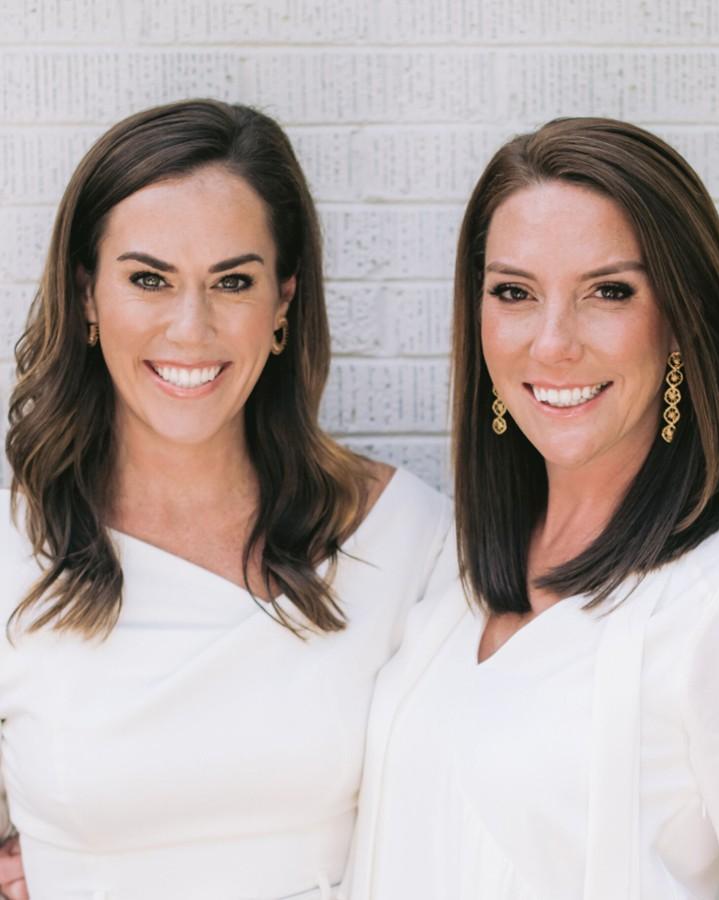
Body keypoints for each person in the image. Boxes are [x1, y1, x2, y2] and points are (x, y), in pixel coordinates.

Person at [0, 99, 451, 900]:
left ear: (283, 303)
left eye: (232, 282)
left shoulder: (408, 538)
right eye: (149, 279)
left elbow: (477, 806)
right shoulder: (13, 546)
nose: (191, 328)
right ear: (87, 296)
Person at [344, 118, 719, 899]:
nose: (553, 343)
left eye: (609, 292)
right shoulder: (453, 578)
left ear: (682, 319)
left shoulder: (714, 598)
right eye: (515, 293)